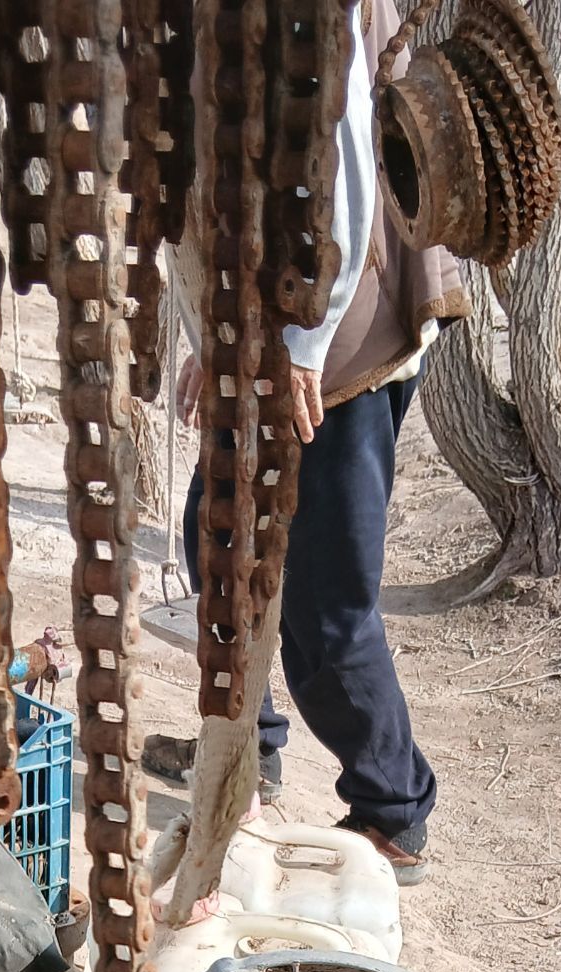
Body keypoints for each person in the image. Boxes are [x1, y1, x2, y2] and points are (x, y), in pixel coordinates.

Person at [145, 0, 467, 876]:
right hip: (281, 323)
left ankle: (392, 808)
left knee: (325, 603)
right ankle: (248, 751)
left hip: (337, 337)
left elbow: (342, 167)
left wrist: (302, 347)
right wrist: (213, 338)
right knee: (214, 532)